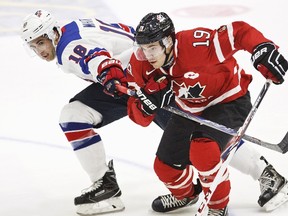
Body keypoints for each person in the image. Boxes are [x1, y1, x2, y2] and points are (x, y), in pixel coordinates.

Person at [113, 12, 288, 215]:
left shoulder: (197, 45)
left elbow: (239, 32)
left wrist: (261, 48)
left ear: (169, 41)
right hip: (189, 108)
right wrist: (145, 105)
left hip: (229, 100)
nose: (148, 55)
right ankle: (186, 195)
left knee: (202, 151)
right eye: (143, 49)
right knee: (164, 167)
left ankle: (217, 207)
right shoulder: (141, 64)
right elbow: (138, 115)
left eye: (152, 48)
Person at [20, 9, 177, 215]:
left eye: (41, 42)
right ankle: (105, 185)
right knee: (73, 116)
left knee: (194, 135)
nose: (39, 51)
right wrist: (111, 76)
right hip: (128, 75)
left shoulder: (69, 49)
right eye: (33, 46)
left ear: (53, 34)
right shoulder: (71, 29)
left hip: (147, 76)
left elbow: (96, 57)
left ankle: (198, 192)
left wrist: (108, 74)